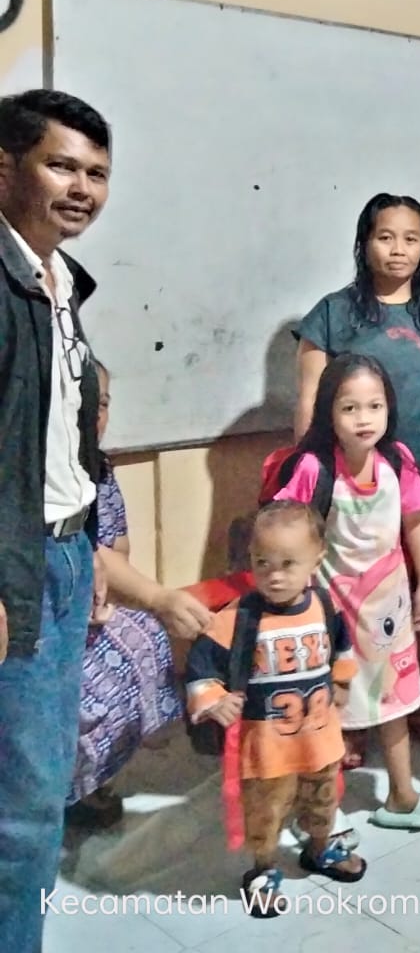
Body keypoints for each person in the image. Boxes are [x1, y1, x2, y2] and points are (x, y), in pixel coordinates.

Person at [295, 193, 420, 753]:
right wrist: (309, 478)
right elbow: (309, 399)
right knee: (345, 599)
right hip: (351, 486)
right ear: (364, 242)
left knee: (414, 596)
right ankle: (346, 714)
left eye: (411, 239)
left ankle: (405, 698)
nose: (399, 249)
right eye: (385, 236)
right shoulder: (332, 313)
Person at [0, 89, 111, 952]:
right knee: (26, 808)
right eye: (61, 166)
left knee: (35, 787)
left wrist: (93, 542)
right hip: (17, 566)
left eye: (97, 173)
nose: (82, 189)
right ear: (4, 168)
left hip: (65, 553)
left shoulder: (59, 279)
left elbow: (64, 437)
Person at [276, 353, 420, 832]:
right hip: (331, 620)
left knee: (395, 704)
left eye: (374, 406)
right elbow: (283, 534)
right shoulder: (313, 468)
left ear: (389, 409)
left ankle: (402, 795)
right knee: (326, 711)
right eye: (349, 407)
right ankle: (320, 814)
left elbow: (415, 522)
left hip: (389, 614)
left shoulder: (397, 460)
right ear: (328, 411)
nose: (364, 419)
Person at [186, 500, 366, 918]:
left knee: (323, 797)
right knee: (265, 810)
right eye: (262, 563)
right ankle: (263, 867)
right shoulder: (240, 617)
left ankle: (319, 846)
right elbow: (201, 665)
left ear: (316, 561)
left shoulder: (324, 606)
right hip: (267, 747)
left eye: (288, 563)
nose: (274, 575)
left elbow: (341, 646)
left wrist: (341, 681)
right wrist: (214, 700)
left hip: (319, 736)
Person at [65, 362, 212, 829]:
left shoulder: (100, 468)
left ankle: (89, 781)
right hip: (42, 611)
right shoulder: (33, 469)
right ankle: (50, 791)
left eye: (104, 404)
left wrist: (115, 597)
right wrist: (156, 598)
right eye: (85, 402)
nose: (95, 414)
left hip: (90, 604)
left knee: (145, 636)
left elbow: (116, 548)